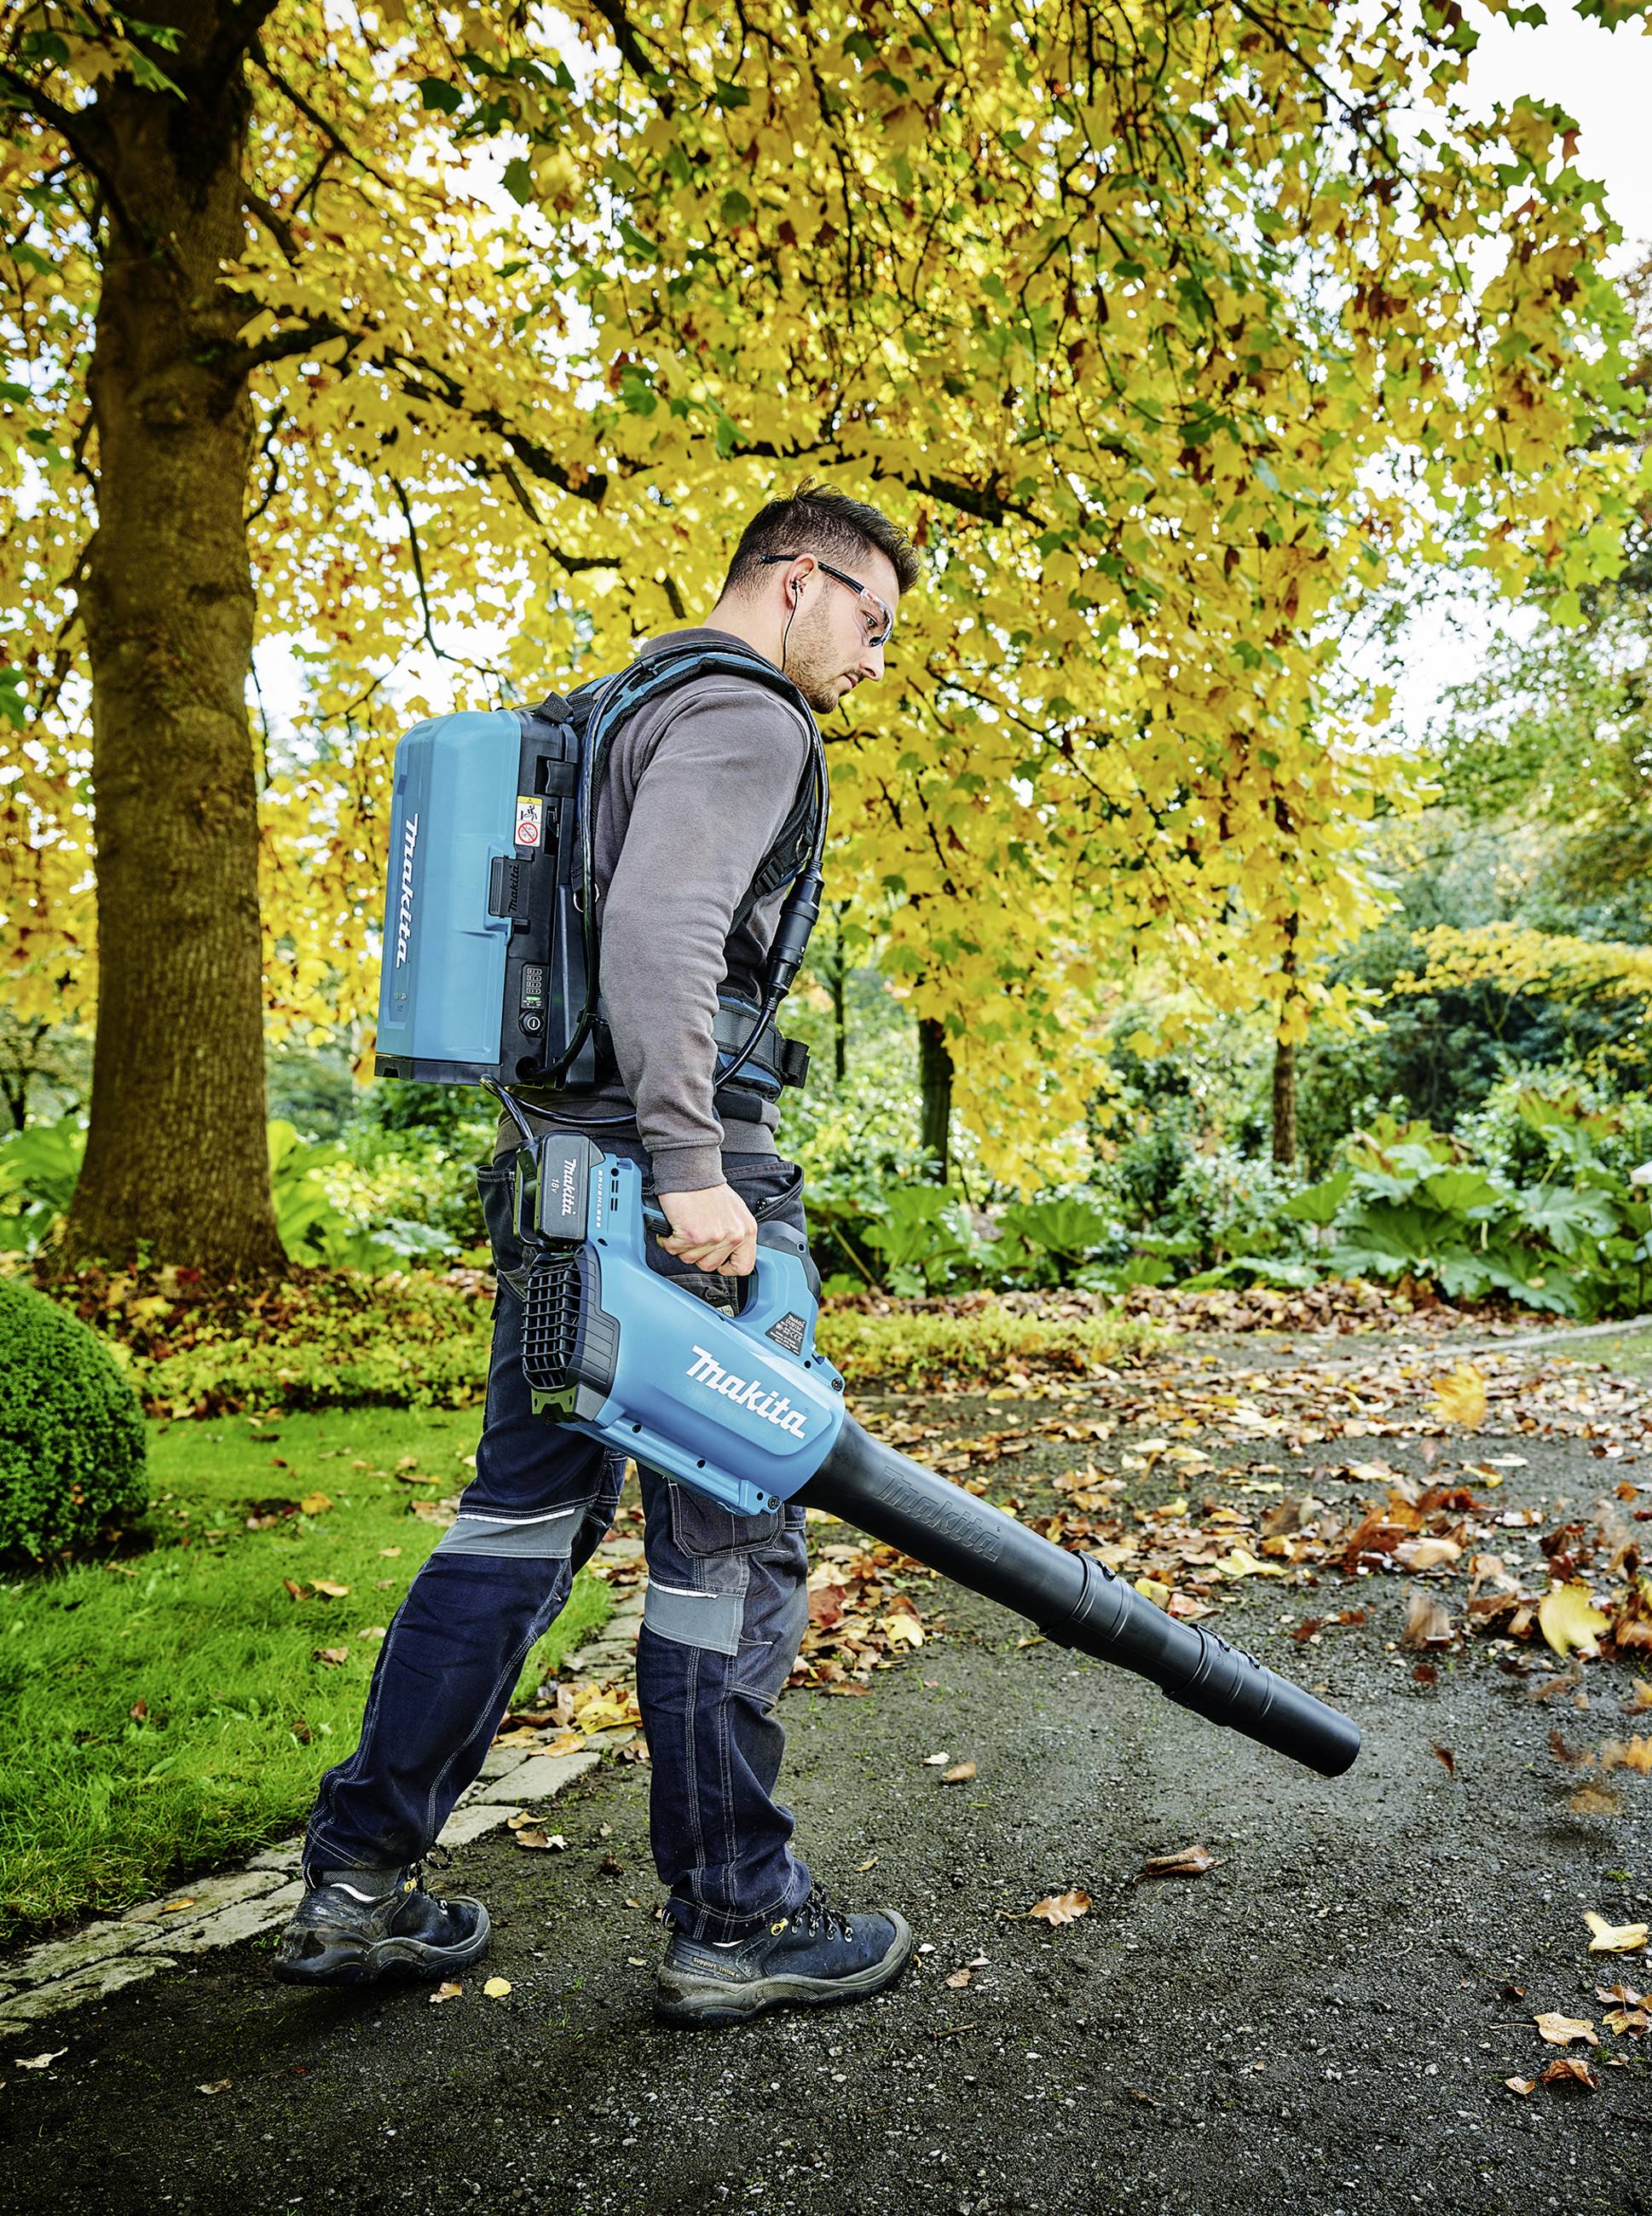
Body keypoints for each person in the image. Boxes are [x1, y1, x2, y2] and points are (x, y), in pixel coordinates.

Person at [276, 485, 922, 2028]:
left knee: (517, 1527)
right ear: (798, 581)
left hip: (563, 1175)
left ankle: (358, 1886)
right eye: (873, 623)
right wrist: (701, 1173)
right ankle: (738, 1922)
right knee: (729, 1543)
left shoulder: (605, 714)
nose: (874, 664)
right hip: (678, 1192)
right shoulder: (749, 718)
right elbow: (662, 932)